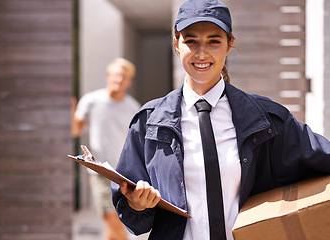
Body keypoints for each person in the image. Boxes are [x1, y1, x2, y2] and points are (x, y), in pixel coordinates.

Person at [111, 0, 330, 239]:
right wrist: (137, 204)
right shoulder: (149, 123)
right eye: (190, 41)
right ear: (176, 45)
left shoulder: (267, 119)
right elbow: (134, 218)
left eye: (214, 41)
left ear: (229, 45)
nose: (201, 53)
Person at [72, 58, 141, 240]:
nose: (119, 80)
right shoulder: (91, 101)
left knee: (114, 223)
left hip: (125, 173)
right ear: (108, 77)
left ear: (129, 81)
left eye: (124, 77)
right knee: (110, 218)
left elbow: (138, 141)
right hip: (100, 172)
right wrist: (69, 112)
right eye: (116, 75)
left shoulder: (133, 107)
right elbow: (74, 130)